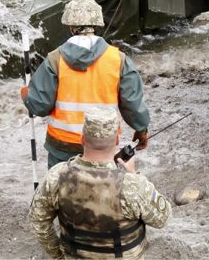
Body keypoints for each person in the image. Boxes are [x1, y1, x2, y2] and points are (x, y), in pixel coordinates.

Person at [22, 0, 151, 168]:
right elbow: (132, 103)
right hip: (103, 145)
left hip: (62, 146)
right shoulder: (118, 59)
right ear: (97, 24)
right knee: (102, 191)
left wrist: (26, 95)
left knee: (61, 192)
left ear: (70, 26)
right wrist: (142, 129)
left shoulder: (54, 59)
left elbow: (39, 106)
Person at [29, 108, 171, 259]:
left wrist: (58, 255)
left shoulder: (56, 177)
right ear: (117, 140)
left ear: (82, 139)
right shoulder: (132, 185)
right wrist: (135, 175)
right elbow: (163, 218)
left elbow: (38, 222)